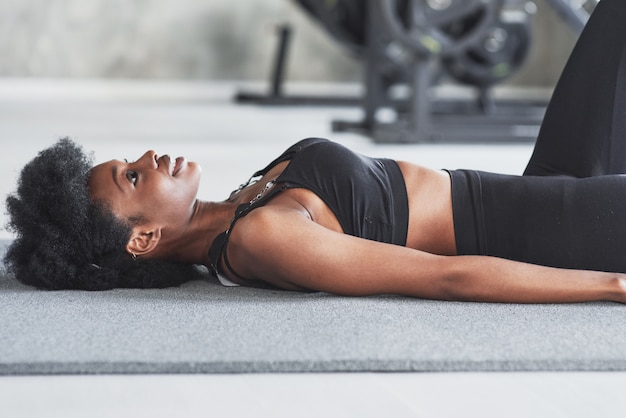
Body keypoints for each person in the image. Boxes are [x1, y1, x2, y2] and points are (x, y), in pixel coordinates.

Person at [4, 0, 626, 304]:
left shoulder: (239, 205)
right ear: (140, 240)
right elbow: (447, 276)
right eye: (133, 179)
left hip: (539, 185)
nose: (148, 156)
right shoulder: (259, 239)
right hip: (555, 230)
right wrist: (612, 288)